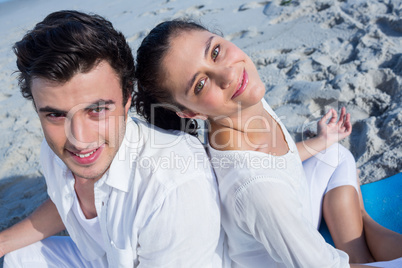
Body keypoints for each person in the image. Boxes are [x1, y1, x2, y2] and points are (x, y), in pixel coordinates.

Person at [133, 19, 402, 268]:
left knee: (337, 154)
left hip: (292, 209)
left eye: (215, 51)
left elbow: (276, 163)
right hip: (287, 255)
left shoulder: (243, 103)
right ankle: (360, 223)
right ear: (191, 113)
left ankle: (359, 237)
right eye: (201, 84)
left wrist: (322, 141)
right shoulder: (257, 189)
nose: (226, 75)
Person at [0, 11, 224, 267]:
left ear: (127, 95)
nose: (79, 140)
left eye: (96, 110)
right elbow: (66, 201)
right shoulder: (53, 150)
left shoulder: (173, 189)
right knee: (19, 258)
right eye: (55, 114)